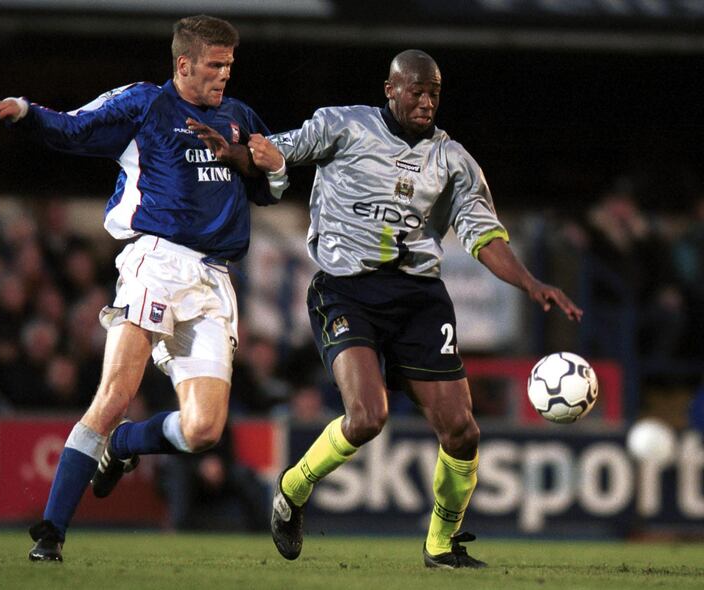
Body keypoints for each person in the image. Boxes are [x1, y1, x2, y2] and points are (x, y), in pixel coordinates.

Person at [0, 14, 287, 562]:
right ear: (183, 64)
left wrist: (275, 170)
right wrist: (21, 108)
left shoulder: (239, 117)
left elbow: (264, 191)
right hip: (157, 262)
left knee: (205, 430)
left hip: (215, 279)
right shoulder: (146, 105)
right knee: (114, 394)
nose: (224, 76)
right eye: (214, 65)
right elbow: (74, 127)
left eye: (229, 66)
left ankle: (126, 445)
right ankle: (51, 532)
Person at [247, 49, 583, 569]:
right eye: (416, 91)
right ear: (391, 89)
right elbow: (276, 150)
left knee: (463, 430)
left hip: (418, 299)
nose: (426, 101)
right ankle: (292, 488)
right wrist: (242, 154)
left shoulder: (452, 161)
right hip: (346, 289)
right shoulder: (342, 127)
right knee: (367, 417)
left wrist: (530, 282)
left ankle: (440, 544)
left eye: (434, 94)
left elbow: (483, 234)